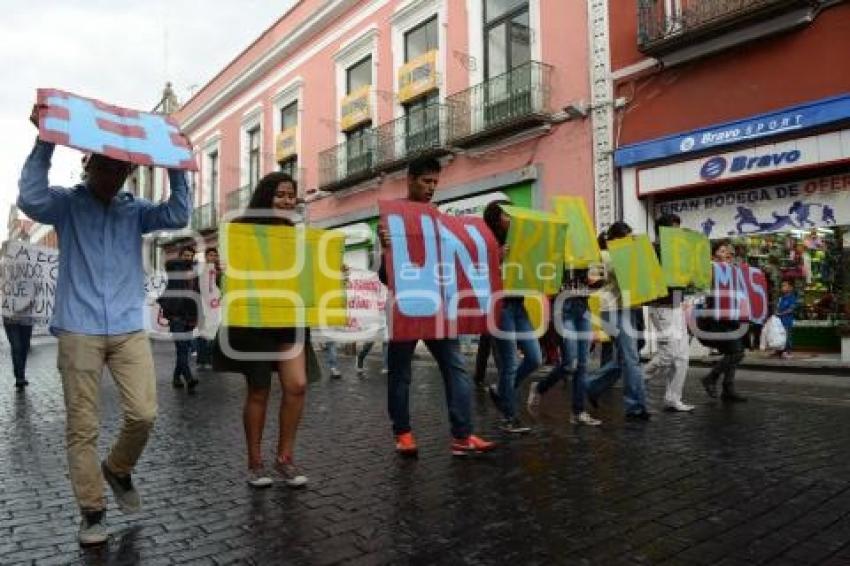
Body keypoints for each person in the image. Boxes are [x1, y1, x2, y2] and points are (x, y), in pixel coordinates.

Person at [17, 103, 191, 546]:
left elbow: (176, 215)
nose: (113, 176)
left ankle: (117, 468)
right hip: (79, 328)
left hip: (128, 327)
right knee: (82, 426)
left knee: (145, 413)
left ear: (129, 174)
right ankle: (92, 511)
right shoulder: (67, 205)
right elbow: (31, 198)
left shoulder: (135, 211)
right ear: (89, 164)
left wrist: (176, 166)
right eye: (106, 167)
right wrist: (45, 140)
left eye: (122, 170)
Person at [377, 157, 495, 457]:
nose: (431, 188)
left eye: (435, 183)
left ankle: (463, 434)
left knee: (456, 367)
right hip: (405, 307)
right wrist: (386, 251)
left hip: (437, 306)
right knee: (401, 373)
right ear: (410, 180)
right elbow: (383, 277)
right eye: (426, 181)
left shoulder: (439, 219)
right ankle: (402, 432)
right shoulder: (392, 218)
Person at [213, 171, 320, 489]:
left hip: (290, 318)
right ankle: (255, 463)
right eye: (280, 195)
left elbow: (308, 277)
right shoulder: (241, 232)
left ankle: (284, 458)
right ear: (265, 197)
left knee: (297, 385)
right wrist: (223, 272)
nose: (287, 201)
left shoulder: (298, 235)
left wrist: (329, 269)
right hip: (254, 321)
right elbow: (227, 283)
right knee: (259, 390)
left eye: (291, 196)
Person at [482, 201, 542, 433]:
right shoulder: (488, 243)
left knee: (535, 358)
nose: (512, 218)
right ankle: (509, 417)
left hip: (519, 304)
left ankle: (501, 391)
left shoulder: (520, 240)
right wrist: (497, 257)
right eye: (508, 215)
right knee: (509, 364)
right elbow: (479, 272)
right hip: (501, 306)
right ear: (497, 219)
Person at [584, 222, 652, 421]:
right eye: (626, 237)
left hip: (627, 308)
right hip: (613, 310)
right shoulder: (604, 255)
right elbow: (592, 279)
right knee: (631, 358)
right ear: (614, 239)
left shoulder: (629, 255)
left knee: (625, 358)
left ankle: (590, 386)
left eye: (631, 237)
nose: (630, 241)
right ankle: (636, 406)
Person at [527, 265, 603, 426]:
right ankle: (540, 387)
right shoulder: (558, 249)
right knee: (570, 363)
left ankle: (578, 412)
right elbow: (547, 278)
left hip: (583, 308)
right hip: (563, 308)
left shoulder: (586, 251)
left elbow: (597, 284)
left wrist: (594, 279)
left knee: (582, 364)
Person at [643, 213, 695, 412]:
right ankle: (638, 381)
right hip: (661, 307)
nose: (678, 232)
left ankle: (673, 398)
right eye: (674, 228)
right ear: (663, 230)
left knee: (682, 356)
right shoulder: (654, 250)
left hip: (675, 305)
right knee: (669, 353)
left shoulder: (677, 251)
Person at [698, 241, 748, 403]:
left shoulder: (734, 270)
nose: (727, 252)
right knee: (736, 352)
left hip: (732, 316)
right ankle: (711, 378)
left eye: (729, 250)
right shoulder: (710, 269)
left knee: (733, 351)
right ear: (713, 255)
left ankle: (728, 388)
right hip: (715, 317)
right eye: (722, 250)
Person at [160, 246, 200, 392]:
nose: (188, 258)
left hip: (189, 316)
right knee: (182, 348)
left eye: (190, 256)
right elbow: (169, 264)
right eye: (185, 255)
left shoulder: (195, 273)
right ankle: (189, 378)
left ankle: (176, 377)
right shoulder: (174, 269)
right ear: (180, 255)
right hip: (176, 316)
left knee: (183, 350)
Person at [195, 247, 222, 370]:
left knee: (214, 331)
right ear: (206, 256)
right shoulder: (202, 269)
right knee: (203, 333)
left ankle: (211, 360)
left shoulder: (218, 271)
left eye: (214, 255)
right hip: (204, 304)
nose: (213, 257)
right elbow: (203, 287)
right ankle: (202, 360)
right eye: (210, 255)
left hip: (216, 305)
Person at [4, 315, 34, 390]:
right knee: (16, 347)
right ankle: (19, 377)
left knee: (24, 347)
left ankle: (20, 374)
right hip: (10, 319)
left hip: (27, 320)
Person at [776, 280, 797, 359]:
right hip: (780, 321)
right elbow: (778, 308)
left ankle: (788, 351)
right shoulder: (781, 298)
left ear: (790, 288)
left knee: (787, 336)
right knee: (780, 337)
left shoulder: (792, 298)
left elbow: (791, 309)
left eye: (784, 285)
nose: (782, 288)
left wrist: (781, 314)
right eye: (782, 286)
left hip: (787, 321)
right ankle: (780, 351)